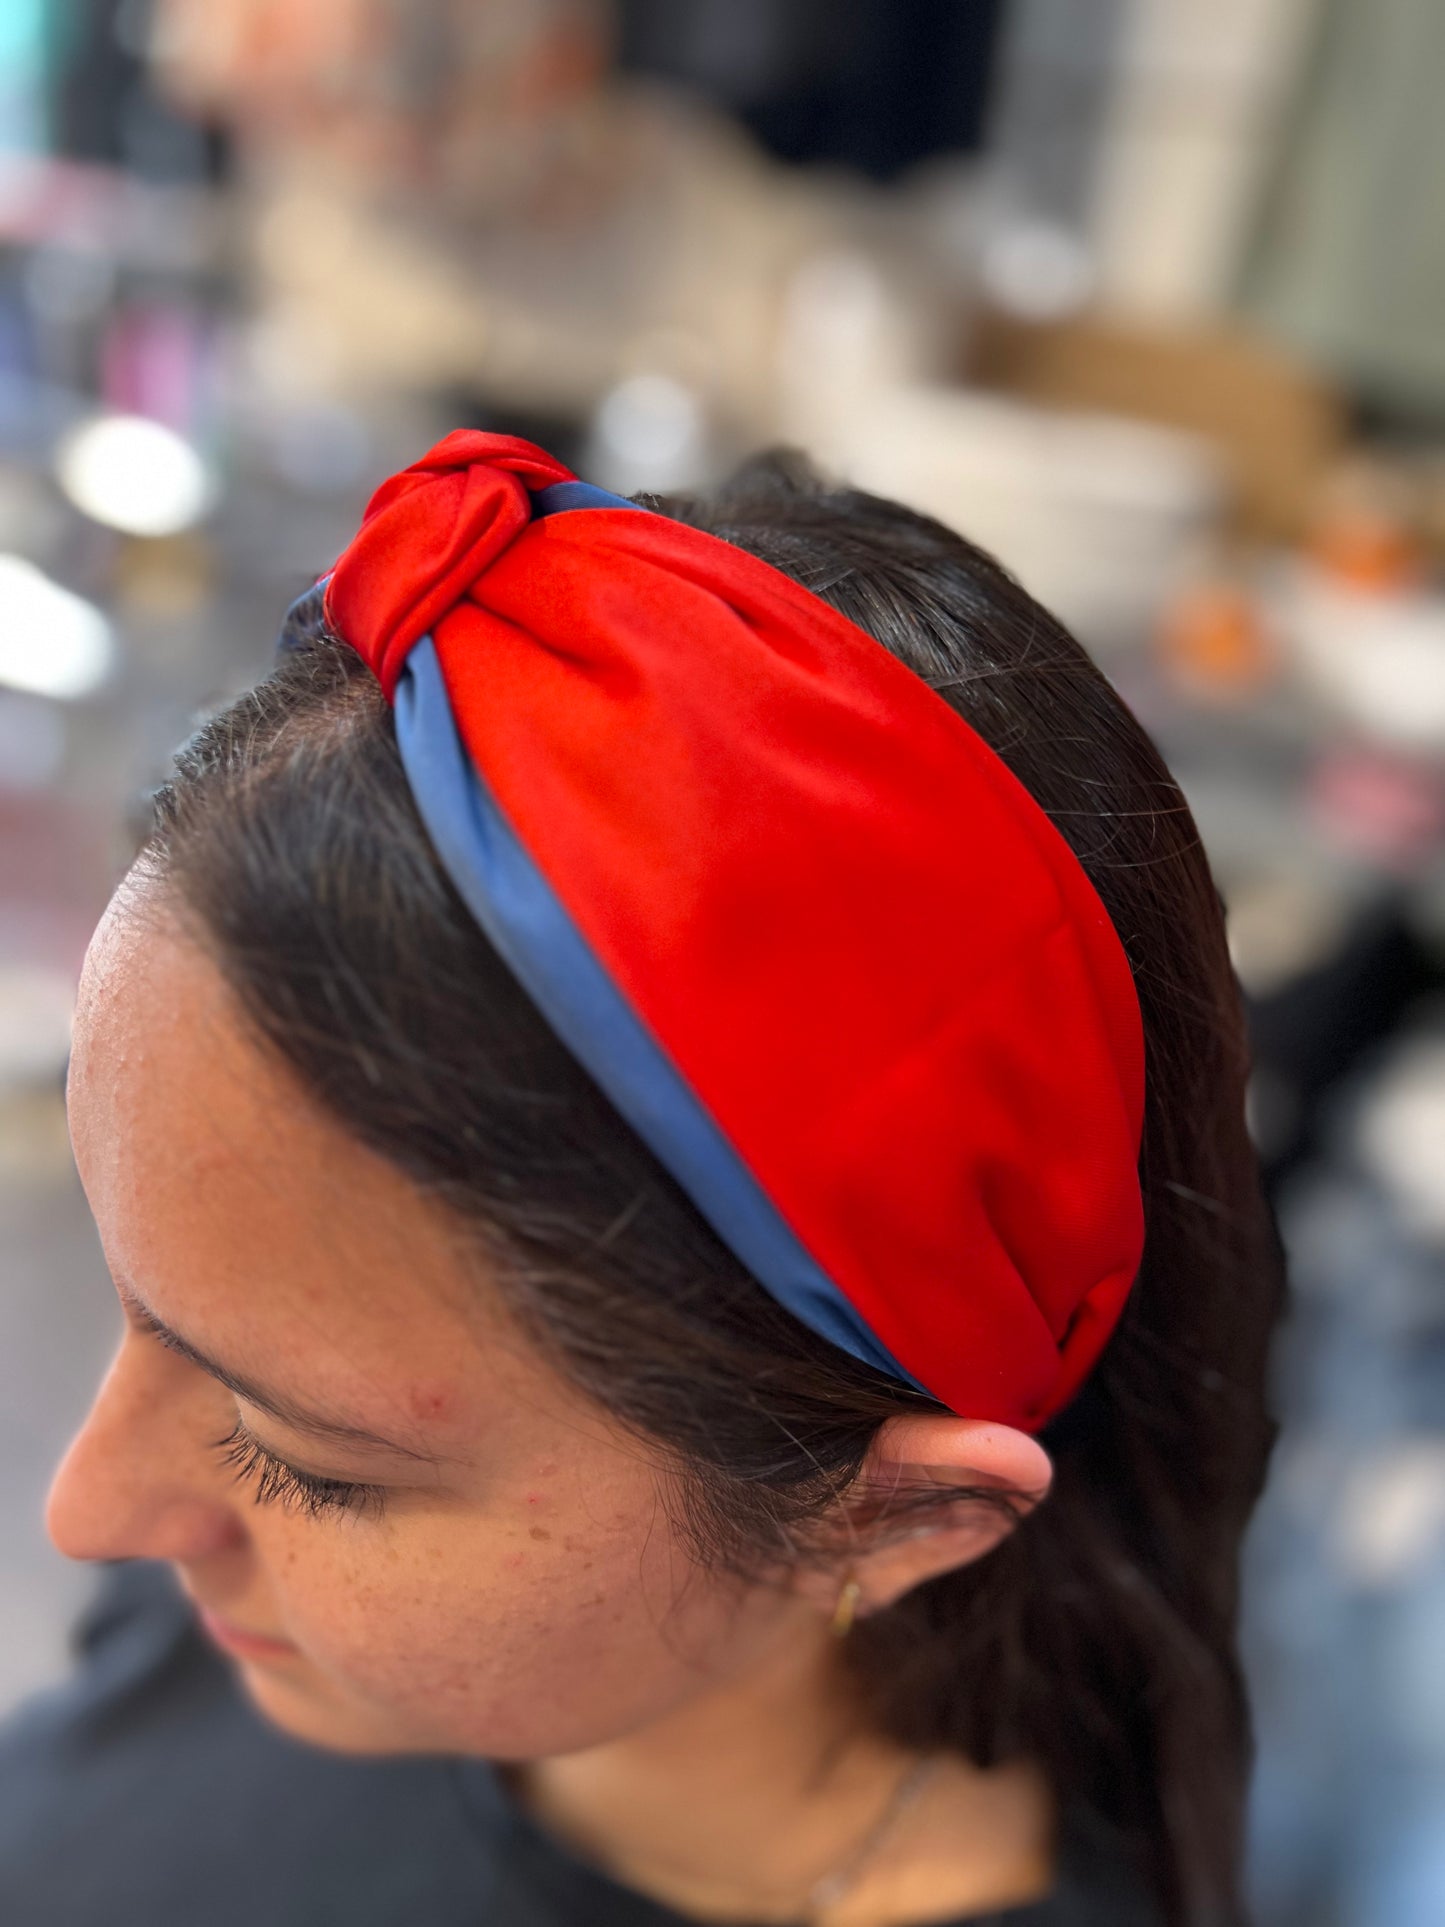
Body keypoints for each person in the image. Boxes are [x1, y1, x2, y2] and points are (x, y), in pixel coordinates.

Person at [1, 434, 1285, 1927]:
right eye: (139, 1297)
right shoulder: (235, 1610)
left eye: (308, 1463)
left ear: (881, 1523)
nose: (87, 1511)